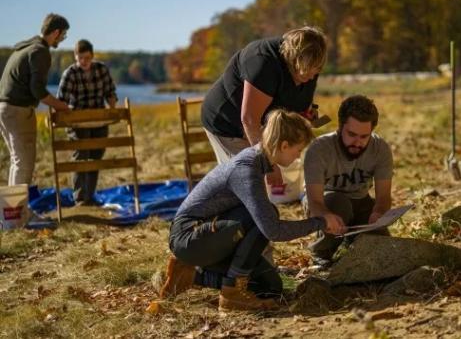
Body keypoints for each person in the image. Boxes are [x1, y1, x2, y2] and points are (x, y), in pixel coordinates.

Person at [159, 109, 346, 311]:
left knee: (271, 288)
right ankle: (231, 294)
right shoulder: (246, 169)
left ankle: (192, 275)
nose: (298, 156)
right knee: (266, 217)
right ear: (284, 145)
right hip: (189, 237)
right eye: (298, 150)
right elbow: (272, 230)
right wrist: (321, 222)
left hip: (214, 235)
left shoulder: (258, 162)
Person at [200, 26, 327, 186]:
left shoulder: (311, 65)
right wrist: (268, 164)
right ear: (293, 59)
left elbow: (300, 105)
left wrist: (309, 116)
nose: (312, 77)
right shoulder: (263, 62)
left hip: (260, 125)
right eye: (306, 72)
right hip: (228, 123)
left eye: (316, 72)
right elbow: (249, 119)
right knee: (246, 179)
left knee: (263, 178)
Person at [303, 95, 393, 264]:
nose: (357, 142)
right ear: (339, 127)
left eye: (364, 136)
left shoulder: (380, 148)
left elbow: (383, 197)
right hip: (327, 200)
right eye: (351, 134)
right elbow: (314, 201)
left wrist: (379, 212)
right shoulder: (319, 149)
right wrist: (327, 215)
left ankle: (352, 241)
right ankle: (322, 252)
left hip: (361, 200)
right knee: (338, 203)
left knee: (381, 248)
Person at [0, 13, 70, 185]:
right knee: (23, 164)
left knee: (17, 162)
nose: (62, 39)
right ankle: (21, 211)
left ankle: (13, 210)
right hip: (18, 111)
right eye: (63, 35)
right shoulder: (40, 52)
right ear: (55, 32)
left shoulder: (25, 47)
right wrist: (61, 106)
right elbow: (37, 90)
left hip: (5, 109)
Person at [57, 39, 118, 205]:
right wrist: (65, 116)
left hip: (99, 120)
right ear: (75, 56)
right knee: (81, 157)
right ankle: (79, 198)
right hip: (77, 121)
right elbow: (61, 100)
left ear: (92, 56)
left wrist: (111, 109)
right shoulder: (70, 73)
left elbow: (110, 92)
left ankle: (90, 196)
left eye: (87, 58)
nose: (84, 62)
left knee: (95, 157)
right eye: (80, 58)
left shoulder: (101, 69)